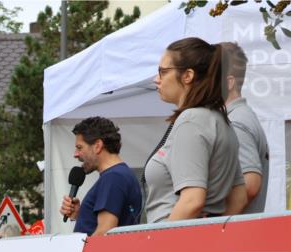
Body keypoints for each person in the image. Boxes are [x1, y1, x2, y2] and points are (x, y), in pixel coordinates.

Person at [145, 37, 247, 223]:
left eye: (163, 72)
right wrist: (213, 235)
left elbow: (192, 201)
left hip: (174, 243)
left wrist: (159, 244)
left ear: (188, 76)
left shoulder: (191, 121)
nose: (156, 79)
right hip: (199, 240)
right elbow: (239, 196)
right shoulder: (220, 119)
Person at [58, 117, 143, 236]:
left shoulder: (113, 178)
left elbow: (104, 232)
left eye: (79, 147)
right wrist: (81, 215)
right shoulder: (119, 175)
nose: (75, 154)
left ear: (98, 146)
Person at [220, 42, 270, 214]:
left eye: (208, 76)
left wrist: (215, 225)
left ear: (229, 83)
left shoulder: (235, 122)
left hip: (232, 236)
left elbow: (250, 185)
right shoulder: (239, 117)